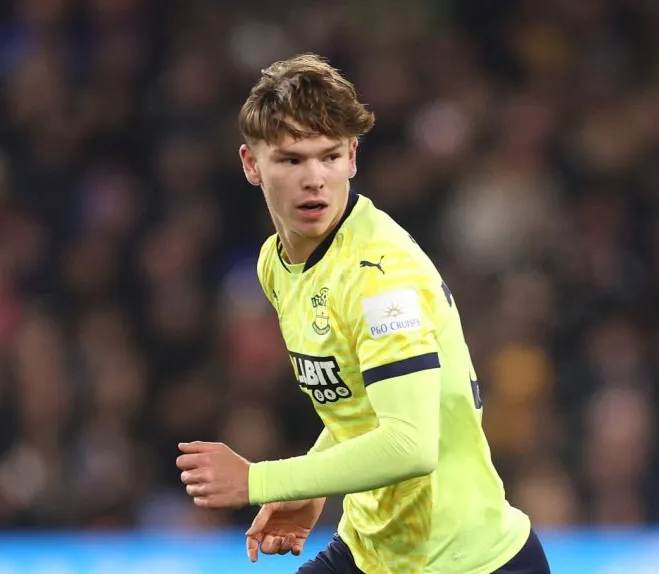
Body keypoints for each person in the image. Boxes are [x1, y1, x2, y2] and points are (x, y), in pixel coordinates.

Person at [176, 53, 551, 574]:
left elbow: (410, 444)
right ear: (250, 164)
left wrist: (259, 481)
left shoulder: (380, 278)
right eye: (291, 160)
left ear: (353, 157)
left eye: (330, 157)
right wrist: (311, 487)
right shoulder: (277, 265)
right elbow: (358, 401)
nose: (315, 179)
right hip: (375, 549)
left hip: (464, 562)